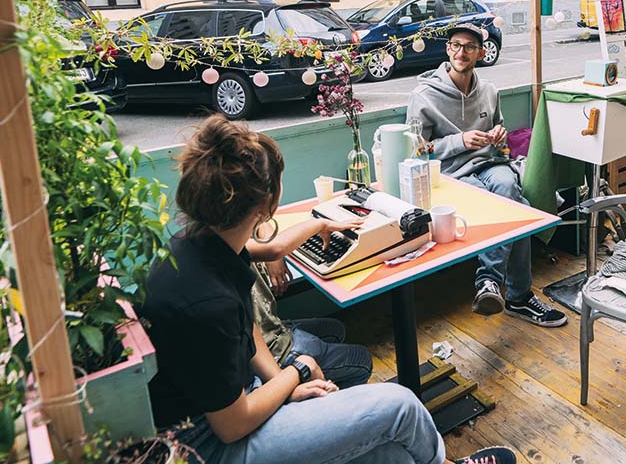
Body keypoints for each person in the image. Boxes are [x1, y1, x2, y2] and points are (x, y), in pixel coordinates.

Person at [139, 115, 516, 464]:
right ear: (267, 204)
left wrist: (318, 226)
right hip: (204, 445)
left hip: (231, 400)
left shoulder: (197, 244)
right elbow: (233, 425)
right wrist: (296, 373)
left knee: (392, 454)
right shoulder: (207, 302)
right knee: (401, 406)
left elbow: (258, 282)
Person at [407, 24, 567, 327]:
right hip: (450, 173)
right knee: (509, 203)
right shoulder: (424, 96)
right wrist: (460, 141)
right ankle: (517, 296)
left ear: (480, 52)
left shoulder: (489, 91)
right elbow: (415, 152)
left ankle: (488, 283)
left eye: (469, 46)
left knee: (511, 194)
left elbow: (502, 141)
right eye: (456, 45)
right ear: (447, 49)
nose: (461, 52)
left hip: (489, 164)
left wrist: (499, 135)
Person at [248, 217, 373, 389]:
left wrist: (273, 255)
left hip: (270, 328)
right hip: (270, 349)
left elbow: (264, 227)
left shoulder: (224, 232)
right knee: (362, 359)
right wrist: (285, 386)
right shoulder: (227, 249)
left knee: (335, 329)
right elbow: (276, 247)